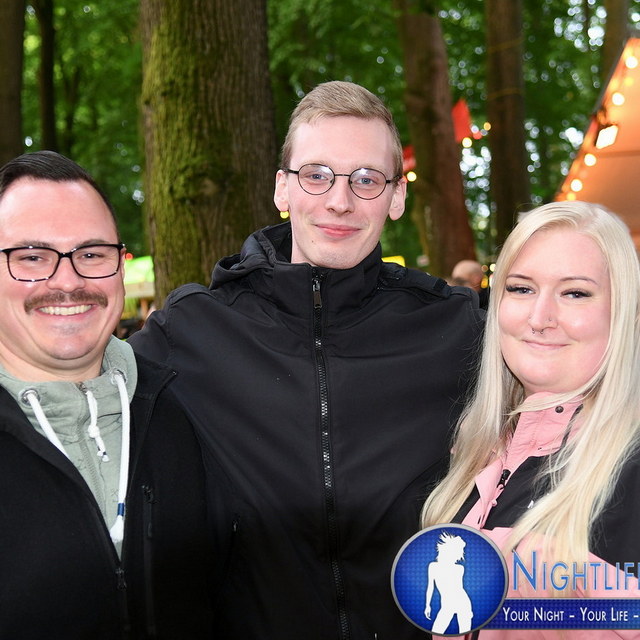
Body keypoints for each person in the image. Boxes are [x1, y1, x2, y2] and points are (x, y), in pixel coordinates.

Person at [130, 80, 484, 639]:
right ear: (283, 188)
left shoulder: (455, 328)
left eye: (366, 179)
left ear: (396, 197)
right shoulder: (193, 329)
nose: (339, 201)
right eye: (316, 175)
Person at [0, 151, 214, 639]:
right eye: (31, 257)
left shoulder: (183, 410)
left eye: (92, 254)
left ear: (120, 264)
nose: (68, 281)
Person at [421, 201, 640, 639]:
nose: (539, 319)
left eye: (575, 293)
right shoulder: (479, 446)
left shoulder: (631, 468)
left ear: (623, 311)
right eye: (521, 288)